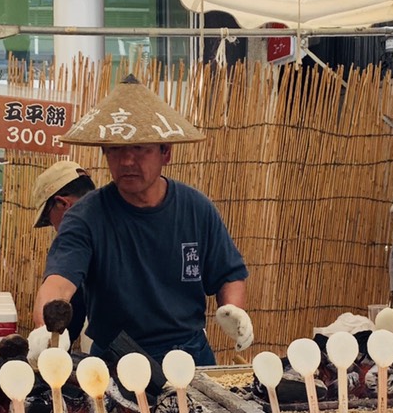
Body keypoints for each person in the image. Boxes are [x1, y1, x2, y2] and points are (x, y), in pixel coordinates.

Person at [32, 78, 251, 366]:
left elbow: (228, 274)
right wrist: (45, 330)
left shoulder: (196, 208)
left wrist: (233, 309)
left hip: (188, 356)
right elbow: (59, 283)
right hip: (115, 360)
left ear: (166, 153)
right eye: (116, 150)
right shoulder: (85, 217)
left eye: (140, 148)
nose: (127, 161)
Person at [30, 158, 94, 338]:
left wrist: (43, 335)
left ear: (63, 203)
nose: (56, 228)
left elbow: (52, 296)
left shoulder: (75, 235)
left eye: (51, 220)